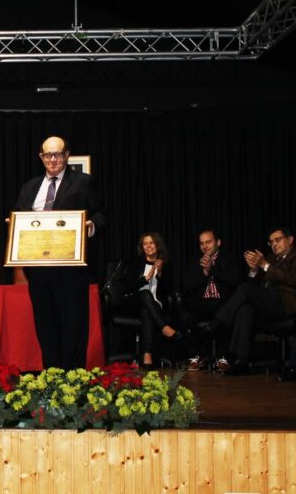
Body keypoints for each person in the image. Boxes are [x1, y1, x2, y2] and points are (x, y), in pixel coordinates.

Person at [14, 136, 106, 369]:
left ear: (66, 155)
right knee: (46, 326)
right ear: (41, 157)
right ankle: (52, 377)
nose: (52, 159)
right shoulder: (30, 187)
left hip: (71, 272)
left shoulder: (84, 182)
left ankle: (72, 381)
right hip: (39, 271)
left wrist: (90, 226)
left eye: (57, 154)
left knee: (73, 326)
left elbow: (101, 215)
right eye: (47, 155)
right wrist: (15, 226)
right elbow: (20, 217)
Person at [205, 226, 296, 376]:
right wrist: (254, 270)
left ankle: (216, 325)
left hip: (287, 304)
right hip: (268, 304)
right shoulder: (269, 258)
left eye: (278, 240)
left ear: (290, 240)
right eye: (271, 242)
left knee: (244, 289)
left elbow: (294, 278)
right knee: (245, 311)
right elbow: (254, 287)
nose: (274, 244)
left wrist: (264, 265)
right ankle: (241, 361)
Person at [180, 229, 242, 371]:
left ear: (218, 242)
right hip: (201, 302)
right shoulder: (195, 260)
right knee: (184, 314)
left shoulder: (229, 258)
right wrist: (204, 273)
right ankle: (197, 356)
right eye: (201, 243)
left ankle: (223, 357)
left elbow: (234, 281)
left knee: (228, 313)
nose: (205, 246)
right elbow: (187, 285)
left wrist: (212, 269)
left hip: (222, 301)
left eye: (208, 242)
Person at [119, 232, 179, 369]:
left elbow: (169, 289)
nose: (148, 246)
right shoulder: (136, 263)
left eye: (151, 243)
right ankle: (164, 327)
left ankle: (147, 355)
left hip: (155, 305)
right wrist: (145, 279)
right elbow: (127, 287)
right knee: (145, 293)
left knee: (146, 309)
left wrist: (160, 274)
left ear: (157, 245)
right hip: (133, 303)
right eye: (145, 243)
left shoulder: (165, 264)